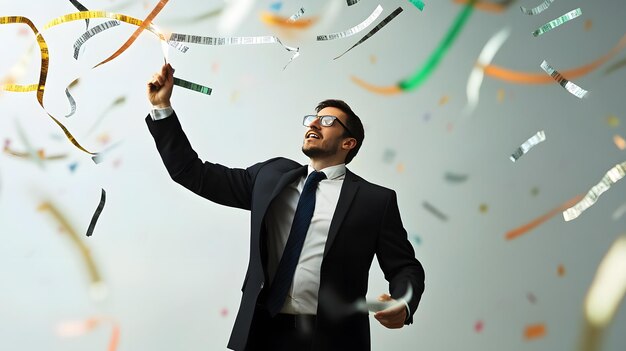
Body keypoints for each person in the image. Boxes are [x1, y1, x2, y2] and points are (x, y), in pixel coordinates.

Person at [145, 63, 425, 351]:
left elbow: (405, 267)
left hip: (334, 339)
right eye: (313, 119)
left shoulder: (374, 201)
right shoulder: (270, 177)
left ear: (348, 143)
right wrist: (162, 108)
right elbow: (193, 173)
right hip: (262, 332)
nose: (314, 124)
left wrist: (403, 303)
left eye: (328, 122)